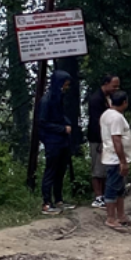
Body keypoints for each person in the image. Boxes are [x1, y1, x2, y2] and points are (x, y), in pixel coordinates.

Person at [37, 70, 75, 215]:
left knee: (60, 170)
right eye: (64, 85)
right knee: (51, 171)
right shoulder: (46, 100)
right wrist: (61, 128)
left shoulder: (58, 98)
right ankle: (46, 203)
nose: (66, 88)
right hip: (52, 140)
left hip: (62, 140)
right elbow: (43, 122)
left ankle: (58, 199)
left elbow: (59, 116)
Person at [99, 89, 131, 230]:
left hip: (114, 157)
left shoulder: (108, 114)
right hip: (115, 159)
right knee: (112, 188)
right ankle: (110, 218)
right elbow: (116, 139)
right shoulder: (116, 118)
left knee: (120, 188)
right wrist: (123, 161)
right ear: (125, 102)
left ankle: (121, 216)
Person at [87, 73, 120, 208]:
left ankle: (106, 194)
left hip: (107, 138)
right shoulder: (96, 99)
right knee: (97, 168)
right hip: (98, 138)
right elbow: (97, 122)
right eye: (114, 86)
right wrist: (102, 140)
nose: (116, 89)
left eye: (117, 87)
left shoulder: (110, 97)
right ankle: (98, 196)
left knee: (106, 166)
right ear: (106, 83)